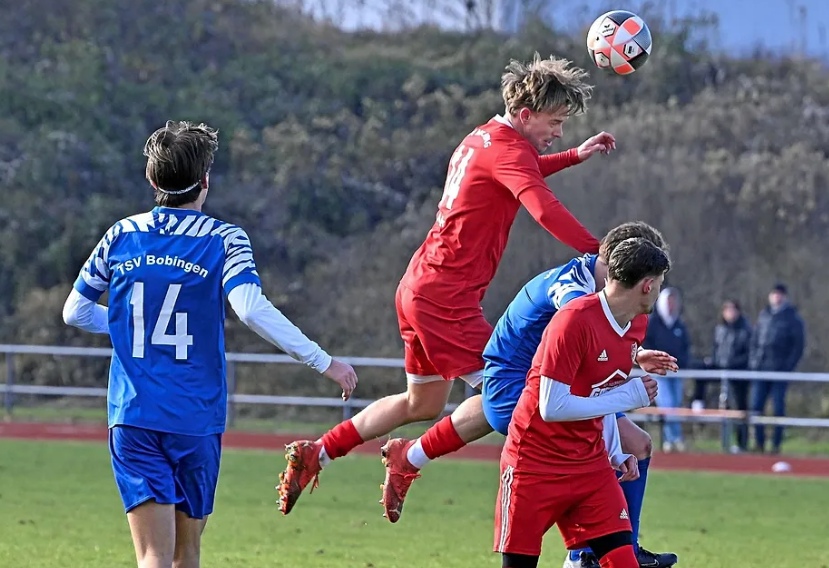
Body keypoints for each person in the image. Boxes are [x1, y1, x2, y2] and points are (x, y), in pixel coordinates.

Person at [277, 53, 616, 515]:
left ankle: (319, 452)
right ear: (525, 115)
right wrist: (603, 255)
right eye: (555, 123)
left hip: (419, 285)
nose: (558, 132)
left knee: (422, 403)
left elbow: (522, 169)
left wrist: (575, 155)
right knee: (508, 391)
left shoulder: (484, 137)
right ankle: (411, 458)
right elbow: (542, 208)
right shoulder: (511, 151)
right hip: (445, 300)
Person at [62, 121, 358, 568]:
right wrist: (323, 361)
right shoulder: (224, 239)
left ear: (151, 179)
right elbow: (251, 309)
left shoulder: (120, 235)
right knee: (186, 556)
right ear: (204, 182)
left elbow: (75, 312)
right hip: (195, 418)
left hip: (133, 416)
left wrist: (129, 328)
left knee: (152, 557)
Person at [375, 222, 677, 566]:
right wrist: (625, 395)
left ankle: (411, 455)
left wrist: (632, 355)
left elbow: (597, 346)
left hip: (543, 375)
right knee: (560, 431)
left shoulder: (610, 303)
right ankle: (588, 554)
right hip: (512, 373)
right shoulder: (574, 294)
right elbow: (581, 341)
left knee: (626, 444)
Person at [494, 237, 670, 568]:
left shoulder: (633, 326)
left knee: (624, 562)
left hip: (590, 465)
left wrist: (616, 451)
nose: (659, 292)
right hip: (534, 465)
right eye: (660, 285)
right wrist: (627, 396)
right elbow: (552, 406)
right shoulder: (573, 319)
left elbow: (601, 391)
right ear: (647, 285)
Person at [749, 283, 805, 454]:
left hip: (780, 371)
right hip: (761, 369)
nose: (777, 297)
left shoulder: (793, 318)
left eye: (780, 294)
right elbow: (755, 340)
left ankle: (776, 445)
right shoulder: (764, 315)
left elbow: (798, 346)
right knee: (756, 407)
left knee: (778, 408)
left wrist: (788, 367)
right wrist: (754, 362)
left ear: (785, 297)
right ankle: (759, 444)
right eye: (774, 294)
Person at [644, 287, 690, 452]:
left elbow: (685, 348)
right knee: (667, 405)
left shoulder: (679, 325)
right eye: (668, 301)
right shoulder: (652, 324)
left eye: (673, 301)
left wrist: (680, 364)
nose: (671, 305)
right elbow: (646, 346)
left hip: (676, 372)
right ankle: (673, 439)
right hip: (659, 372)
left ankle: (673, 438)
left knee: (675, 405)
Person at [709, 300, 752, 452]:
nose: (730, 313)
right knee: (725, 407)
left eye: (733, 310)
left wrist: (732, 364)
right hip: (722, 374)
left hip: (739, 375)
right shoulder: (720, 329)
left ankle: (742, 443)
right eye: (727, 310)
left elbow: (748, 354)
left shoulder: (745, 330)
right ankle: (725, 443)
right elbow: (716, 350)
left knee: (740, 409)